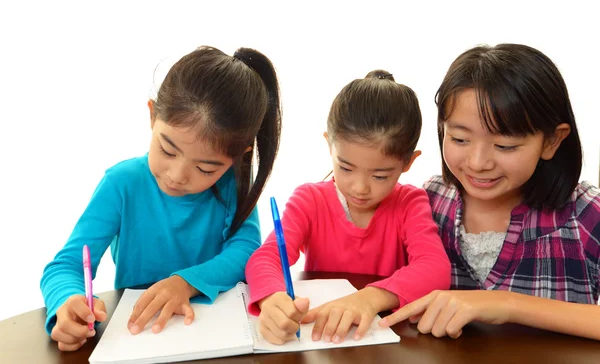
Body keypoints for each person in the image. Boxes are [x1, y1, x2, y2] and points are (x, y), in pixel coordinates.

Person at [40, 46, 282, 351]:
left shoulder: (232, 186)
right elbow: (66, 265)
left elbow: (246, 250)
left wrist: (186, 283)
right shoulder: (122, 184)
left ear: (237, 159)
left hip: (217, 337)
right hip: (140, 339)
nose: (178, 175)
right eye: (168, 150)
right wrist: (67, 301)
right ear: (153, 116)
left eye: (206, 168)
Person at [380, 43, 600, 340]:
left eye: (505, 146)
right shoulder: (427, 201)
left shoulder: (585, 213)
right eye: (459, 139)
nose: (478, 163)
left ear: (551, 141)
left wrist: (506, 303)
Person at [245, 70, 451, 345]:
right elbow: (265, 258)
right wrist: (272, 299)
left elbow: (435, 268)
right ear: (329, 144)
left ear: (408, 162)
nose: (360, 188)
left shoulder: (410, 203)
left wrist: (368, 299)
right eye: (345, 167)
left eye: (380, 176)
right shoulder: (310, 200)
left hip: (384, 340)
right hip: (322, 339)